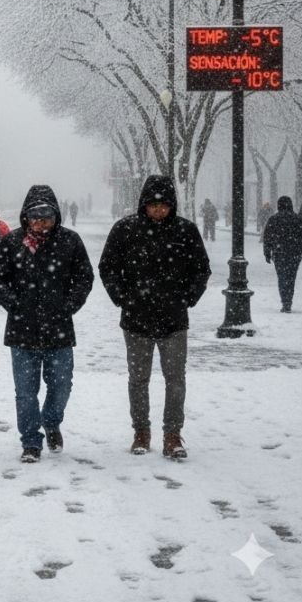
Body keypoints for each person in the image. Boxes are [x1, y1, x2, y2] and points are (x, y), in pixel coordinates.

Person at [97, 175, 211, 461]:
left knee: (175, 380)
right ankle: (141, 431)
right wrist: (122, 297)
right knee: (138, 378)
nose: (158, 210)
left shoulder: (186, 231)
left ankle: (173, 434)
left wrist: (187, 298)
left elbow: (201, 269)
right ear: (144, 205)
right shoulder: (125, 230)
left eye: (164, 205)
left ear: (172, 205)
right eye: (153, 205)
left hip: (174, 319)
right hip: (136, 319)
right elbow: (107, 266)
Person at [0, 186, 94, 463]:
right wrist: (15, 304)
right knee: (25, 391)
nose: (40, 222)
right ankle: (31, 441)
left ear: (55, 216)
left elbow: (84, 277)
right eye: (35, 217)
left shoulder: (70, 241)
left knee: (61, 387)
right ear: (26, 217)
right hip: (22, 330)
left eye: (46, 216)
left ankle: (51, 421)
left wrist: (68, 305)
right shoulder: (12, 242)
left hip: (59, 329)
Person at [262, 195, 302, 312]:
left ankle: (284, 301)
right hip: (294, 253)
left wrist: (267, 252)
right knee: (291, 277)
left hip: (279, 253)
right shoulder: (297, 219)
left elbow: (267, 237)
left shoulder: (274, 219)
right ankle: (288, 301)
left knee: (282, 277)